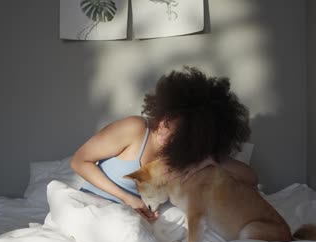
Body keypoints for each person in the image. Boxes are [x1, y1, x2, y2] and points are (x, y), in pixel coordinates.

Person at [70, 66, 257, 222]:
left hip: (126, 220)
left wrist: (209, 158)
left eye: (175, 133)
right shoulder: (135, 128)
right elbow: (78, 161)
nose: (162, 129)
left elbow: (250, 178)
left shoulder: (184, 158)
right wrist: (127, 199)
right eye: (165, 120)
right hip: (90, 206)